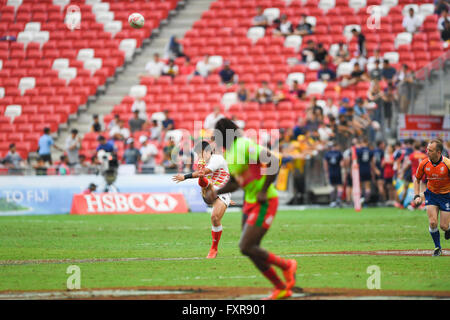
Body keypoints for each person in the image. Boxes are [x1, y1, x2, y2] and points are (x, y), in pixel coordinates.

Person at [210, 118, 297, 300]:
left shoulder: (243, 145)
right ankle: (281, 288)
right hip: (250, 203)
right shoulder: (229, 153)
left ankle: (287, 266)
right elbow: (235, 183)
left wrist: (264, 190)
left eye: (217, 135)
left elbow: (273, 161)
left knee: (246, 246)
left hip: (264, 201)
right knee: (249, 249)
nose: (214, 139)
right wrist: (216, 192)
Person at [172, 141, 232, 258]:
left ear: (208, 151)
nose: (199, 157)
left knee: (214, 218)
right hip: (210, 190)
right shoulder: (201, 162)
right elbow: (201, 172)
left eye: (201, 153)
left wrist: (184, 176)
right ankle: (204, 183)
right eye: (198, 154)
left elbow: (205, 171)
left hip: (223, 191)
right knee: (204, 180)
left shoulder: (217, 158)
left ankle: (214, 248)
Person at [413, 140, 450, 257]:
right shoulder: (424, 163)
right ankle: (437, 247)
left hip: (446, 196)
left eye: (430, 150)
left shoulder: (447, 164)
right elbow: (417, 179)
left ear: (438, 152)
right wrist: (417, 195)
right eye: (427, 149)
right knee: (433, 222)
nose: (427, 152)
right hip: (432, 195)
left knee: (444, 226)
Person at [323, 142, 344, 207]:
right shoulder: (339, 153)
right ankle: (339, 199)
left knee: (332, 187)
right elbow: (342, 164)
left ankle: (332, 201)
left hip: (331, 171)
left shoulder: (327, 154)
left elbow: (325, 164)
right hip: (338, 171)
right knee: (339, 186)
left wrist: (326, 172)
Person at [356, 138, 376, 204]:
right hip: (367, 169)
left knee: (360, 186)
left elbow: (355, 161)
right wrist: (373, 171)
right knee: (367, 186)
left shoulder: (358, 151)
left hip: (360, 169)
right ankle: (366, 201)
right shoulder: (370, 151)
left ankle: (360, 199)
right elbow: (373, 162)